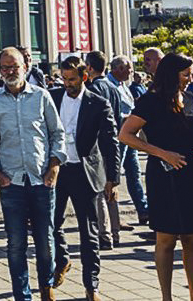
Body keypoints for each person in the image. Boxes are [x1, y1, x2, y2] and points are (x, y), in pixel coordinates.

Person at [0, 47, 66, 301]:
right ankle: (22, 294)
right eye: (5, 67)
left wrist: (54, 166)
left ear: (25, 67)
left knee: (45, 241)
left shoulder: (41, 96)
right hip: (12, 183)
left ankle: (46, 286)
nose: (10, 72)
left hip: (42, 178)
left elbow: (57, 133)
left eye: (14, 67)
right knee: (16, 244)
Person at [119, 53, 193, 301]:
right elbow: (126, 135)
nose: (190, 78)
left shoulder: (189, 98)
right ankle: (166, 297)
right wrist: (163, 154)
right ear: (172, 74)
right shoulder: (150, 101)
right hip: (164, 177)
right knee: (166, 238)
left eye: (192, 73)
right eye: (186, 74)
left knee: (192, 238)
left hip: (192, 175)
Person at [49, 57, 118, 301]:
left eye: (72, 80)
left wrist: (113, 178)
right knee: (51, 224)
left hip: (85, 171)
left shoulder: (97, 103)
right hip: (57, 171)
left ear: (84, 77)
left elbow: (111, 141)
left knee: (88, 231)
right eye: (64, 79)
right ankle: (62, 259)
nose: (67, 84)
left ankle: (92, 285)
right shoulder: (52, 97)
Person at [84, 51, 122, 249]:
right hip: (113, 142)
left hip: (98, 144)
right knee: (111, 187)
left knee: (99, 189)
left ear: (89, 68)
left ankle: (104, 234)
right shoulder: (113, 88)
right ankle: (114, 231)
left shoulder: (94, 89)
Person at [108, 56, 148, 225]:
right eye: (129, 69)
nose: (132, 72)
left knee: (134, 173)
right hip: (119, 136)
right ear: (119, 69)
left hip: (130, 135)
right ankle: (114, 219)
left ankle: (143, 210)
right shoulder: (108, 86)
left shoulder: (122, 85)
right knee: (114, 176)